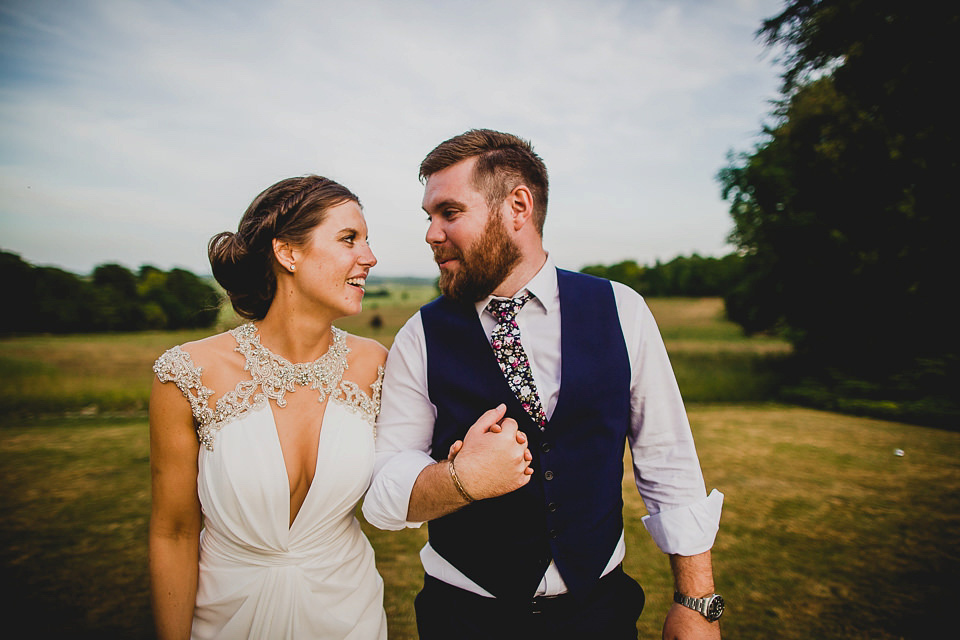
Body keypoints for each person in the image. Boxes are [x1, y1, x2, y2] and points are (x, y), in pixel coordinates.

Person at [362, 129, 725, 639]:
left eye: (449, 212)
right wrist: (460, 480)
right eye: (429, 217)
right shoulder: (420, 335)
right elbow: (384, 491)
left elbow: (668, 458)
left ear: (517, 206)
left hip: (599, 613)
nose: (430, 233)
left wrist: (696, 601)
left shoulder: (622, 310)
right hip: (463, 617)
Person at [149, 175, 388, 639]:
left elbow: (404, 483)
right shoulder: (187, 374)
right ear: (288, 254)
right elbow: (174, 532)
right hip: (227, 614)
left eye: (366, 240)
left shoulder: (375, 365)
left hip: (349, 611)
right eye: (348, 239)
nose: (370, 257)